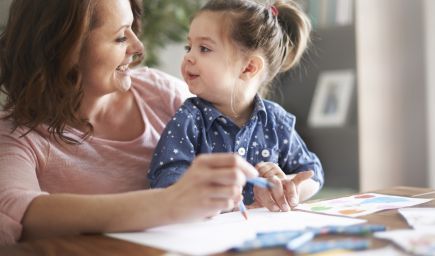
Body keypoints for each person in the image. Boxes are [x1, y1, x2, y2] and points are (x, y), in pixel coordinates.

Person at [0, 0, 260, 245]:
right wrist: (169, 202)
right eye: (121, 37)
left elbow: (235, 148)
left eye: (132, 29)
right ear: (65, 50)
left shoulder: (163, 95)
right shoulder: (16, 135)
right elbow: (17, 210)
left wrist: (263, 175)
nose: (138, 48)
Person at [148, 0, 324, 212]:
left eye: (204, 48)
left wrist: (287, 186)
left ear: (249, 67)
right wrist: (205, 192)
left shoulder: (276, 121)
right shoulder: (189, 119)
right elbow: (165, 179)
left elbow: (313, 173)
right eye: (189, 46)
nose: (188, 57)